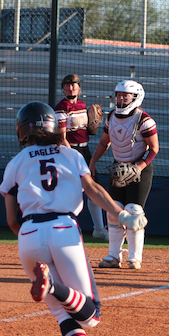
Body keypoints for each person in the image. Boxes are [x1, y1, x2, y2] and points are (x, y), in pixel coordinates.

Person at [0, 101, 147, 336]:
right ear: (54, 126)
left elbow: (11, 219)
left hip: (28, 234)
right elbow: (92, 189)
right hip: (63, 229)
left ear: (21, 130)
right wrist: (122, 215)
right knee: (91, 315)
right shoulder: (69, 153)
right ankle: (52, 286)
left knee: (62, 314)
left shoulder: (16, 162)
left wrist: (29, 236)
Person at [89, 80, 159, 270]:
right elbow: (105, 142)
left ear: (135, 97)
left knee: (134, 210)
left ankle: (135, 258)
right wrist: (93, 162)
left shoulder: (144, 119)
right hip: (118, 168)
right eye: (118, 95)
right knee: (115, 210)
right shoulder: (111, 116)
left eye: (125, 95)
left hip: (139, 169)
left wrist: (139, 167)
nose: (120, 98)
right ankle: (113, 256)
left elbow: (154, 148)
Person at [54, 74, 108, 241]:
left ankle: (98, 229)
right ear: (63, 88)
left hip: (85, 151)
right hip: (69, 152)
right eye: (68, 85)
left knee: (93, 188)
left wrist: (94, 126)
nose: (71, 88)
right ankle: (62, 228)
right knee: (70, 191)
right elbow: (62, 137)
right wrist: (72, 156)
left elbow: (89, 133)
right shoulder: (61, 107)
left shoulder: (83, 105)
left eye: (74, 85)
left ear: (79, 87)